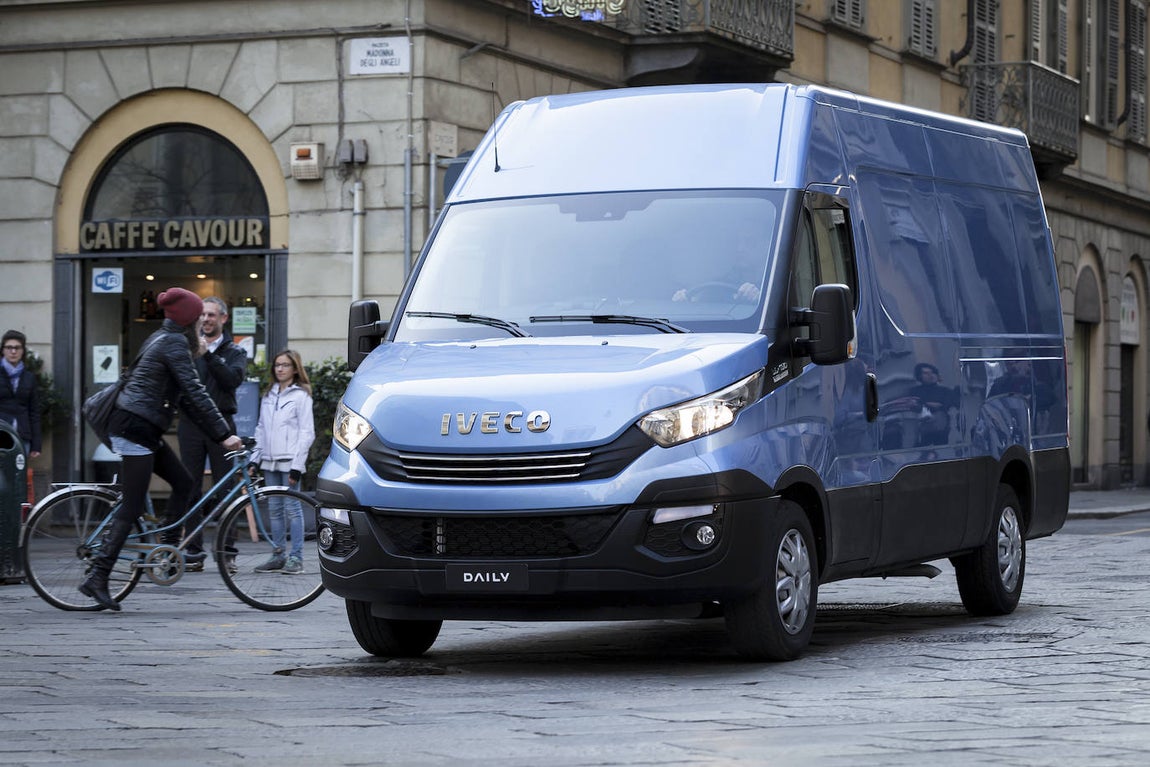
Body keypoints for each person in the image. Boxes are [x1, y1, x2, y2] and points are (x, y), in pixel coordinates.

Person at [79, 288, 243, 611]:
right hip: (134, 427)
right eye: (198, 318)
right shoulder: (173, 343)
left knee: (183, 483)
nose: (202, 324)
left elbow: (186, 397)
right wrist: (224, 434)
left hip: (145, 427)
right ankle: (97, 577)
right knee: (133, 503)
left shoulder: (163, 338)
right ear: (189, 320)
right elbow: (195, 392)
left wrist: (217, 430)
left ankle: (167, 554)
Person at [176, 297, 247, 569]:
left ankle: (226, 552)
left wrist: (208, 354)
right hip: (191, 425)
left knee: (226, 490)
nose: (206, 319)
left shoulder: (234, 351)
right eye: (203, 315)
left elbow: (232, 379)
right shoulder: (186, 347)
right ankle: (193, 553)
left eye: (211, 315)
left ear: (223, 319)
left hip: (222, 425)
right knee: (190, 487)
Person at [250, 349, 315, 575]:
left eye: (285, 365)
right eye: (277, 365)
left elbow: (307, 433)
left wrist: (297, 466)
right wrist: (254, 459)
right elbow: (260, 428)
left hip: (289, 461)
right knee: (275, 510)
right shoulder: (269, 394)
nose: (280, 369)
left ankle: (296, 558)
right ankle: (278, 555)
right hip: (269, 461)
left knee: (292, 509)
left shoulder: (301, 396)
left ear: (295, 369)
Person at [0, 330, 41, 459]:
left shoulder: (29, 377)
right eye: (9, 347)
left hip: (22, 437)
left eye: (17, 348)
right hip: (2, 433)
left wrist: (36, 445)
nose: (13, 351)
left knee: (19, 476)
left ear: (23, 351)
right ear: (3, 350)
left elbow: (34, 411)